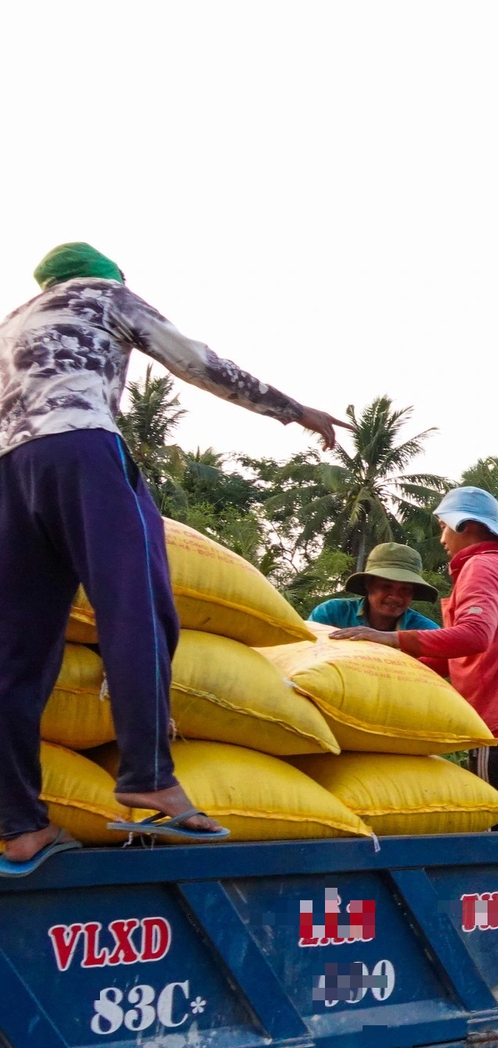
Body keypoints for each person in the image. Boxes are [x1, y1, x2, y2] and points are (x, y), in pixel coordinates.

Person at [1, 243, 344, 871]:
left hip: (9, 476)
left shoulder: (12, 324)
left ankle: (20, 825)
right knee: (139, 606)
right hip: (83, 451)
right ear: (107, 276)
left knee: (14, 658)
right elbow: (198, 362)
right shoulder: (102, 295)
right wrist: (293, 411)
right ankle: (148, 776)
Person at [330, 487, 498, 829]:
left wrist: (390, 639)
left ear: (465, 526)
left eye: (443, 526)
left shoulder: (480, 566)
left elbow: (475, 635)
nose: (442, 537)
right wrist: (387, 673)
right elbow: (453, 659)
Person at [307, 542, 441, 632]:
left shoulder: (425, 631)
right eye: (386, 586)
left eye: (405, 589)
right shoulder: (331, 613)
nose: (395, 597)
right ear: (368, 584)